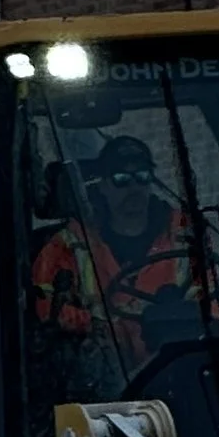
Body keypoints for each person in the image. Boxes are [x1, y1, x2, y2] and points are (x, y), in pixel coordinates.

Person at [28, 133, 194, 382]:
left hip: (174, 369)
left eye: (142, 177)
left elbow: (208, 300)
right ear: (102, 185)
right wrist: (99, 327)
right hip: (98, 382)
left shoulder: (184, 236)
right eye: (121, 179)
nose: (134, 188)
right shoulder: (69, 243)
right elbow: (45, 306)